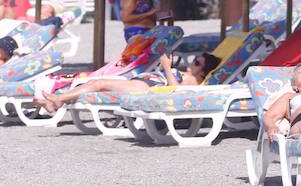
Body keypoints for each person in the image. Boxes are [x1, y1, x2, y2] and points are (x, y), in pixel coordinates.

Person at [35, 53, 220, 113]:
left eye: (197, 62)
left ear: (203, 71)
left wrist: (166, 67)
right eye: (194, 59)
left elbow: (177, 93)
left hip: (147, 87)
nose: (192, 62)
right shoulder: (186, 74)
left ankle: (58, 100)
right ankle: (55, 101)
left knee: (98, 84)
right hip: (142, 81)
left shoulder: (194, 82)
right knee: (96, 84)